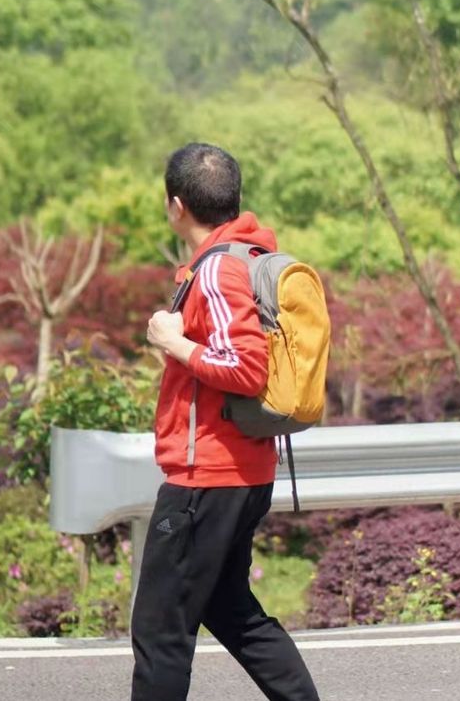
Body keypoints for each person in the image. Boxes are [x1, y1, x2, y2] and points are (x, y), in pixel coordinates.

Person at [131, 142, 321, 701]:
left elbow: (244, 368)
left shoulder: (217, 270)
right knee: (231, 609)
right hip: (246, 471)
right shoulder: (247, 257)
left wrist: (175, 342)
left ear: (175, 206)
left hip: (205, 480)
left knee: (160, 630)